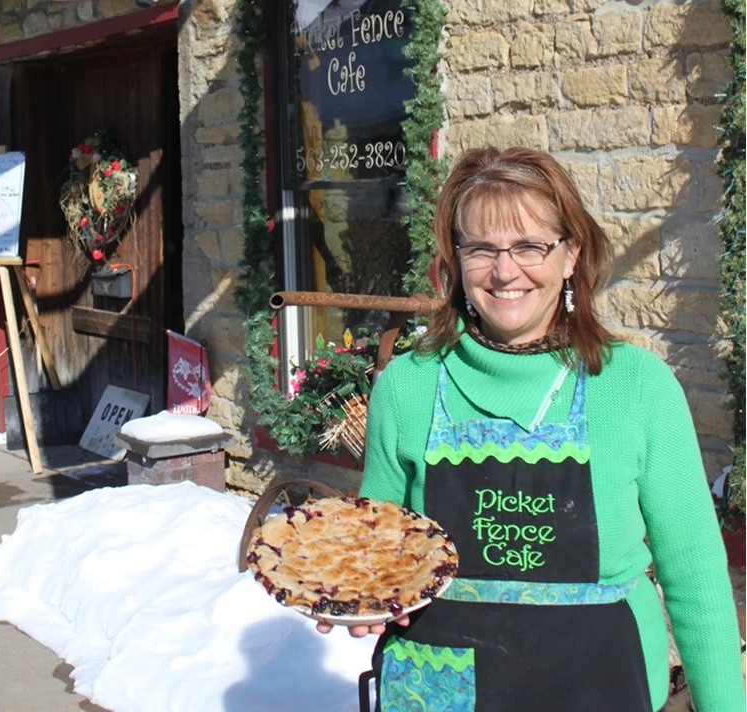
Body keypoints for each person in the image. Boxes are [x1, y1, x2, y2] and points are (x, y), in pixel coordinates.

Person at [316, 146, 746, 711]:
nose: (505, 271)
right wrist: (358, 595)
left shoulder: (636, 386)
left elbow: (695, 578)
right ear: (454, 262)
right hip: (440, 687)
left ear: (571, 255)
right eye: (481, 249)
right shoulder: (408, 386)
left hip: (601, 685)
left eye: (530, 246)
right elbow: (379, 551)